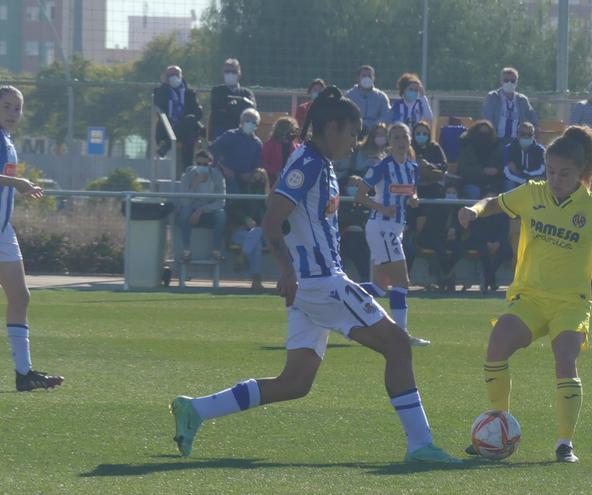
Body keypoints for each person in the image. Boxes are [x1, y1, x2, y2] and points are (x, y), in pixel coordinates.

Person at [170, 86, 459, 464]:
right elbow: (273, 217)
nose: (355, 142)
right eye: (352, 133)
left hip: (313, 286)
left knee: (295, 383)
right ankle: (421, 446)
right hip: (321, 283)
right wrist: (287, 269)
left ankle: (196, 409)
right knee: (398, 345)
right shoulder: (306, 163)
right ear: (333, 127)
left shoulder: (319, 164)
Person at [458, 125, 592, 463]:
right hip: (530, 298)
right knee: (497, 344)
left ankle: (565, 444)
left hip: (570, 304)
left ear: (582, 173)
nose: (555, 179)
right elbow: (494, 203)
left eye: (564, 173)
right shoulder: (532, 194)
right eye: (550, 171)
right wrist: (474, 209)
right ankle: (497, 425)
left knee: (565, 358)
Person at [0, 86, 63, 391]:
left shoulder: (8, 141)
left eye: (17, 108)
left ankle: (24, 375)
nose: (13, 113)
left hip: (3, 231)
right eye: (7, 106)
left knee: (21, 297)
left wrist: (18, 186)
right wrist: (19, 182)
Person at [355, 122, 431, 347]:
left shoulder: (412, 167)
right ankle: (402, 336)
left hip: (394, 230)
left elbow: (410, 190)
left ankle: (339, 295)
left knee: (379, 287)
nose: (400, 142)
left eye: (403, 138)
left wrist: (413, 198)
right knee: (402, 282)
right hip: (381, 228)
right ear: (389, 142)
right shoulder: (382, 166)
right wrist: (382, 208)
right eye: (396, 138)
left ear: (409, 141)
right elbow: (360, 195)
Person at [177, 150, 227, 263]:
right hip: (191, 213)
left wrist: (201, 210)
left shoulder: (217, 176)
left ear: (211, 163)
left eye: (205, 164)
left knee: (221, 214)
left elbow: (221, 202)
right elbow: (184, 201)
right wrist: (195, 184)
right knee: (184, 212)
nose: (202, 166)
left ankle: (216, 251)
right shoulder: (188, 175)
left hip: (209, 213)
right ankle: (186, 250)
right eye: (199, 164)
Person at [153, 65, 203, 173]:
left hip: (186, 128)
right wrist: (165, 85)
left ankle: (167, 146)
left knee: (189, 122)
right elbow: (157, 103)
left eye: (176, 74)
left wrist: (190, 118)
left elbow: (198, 113)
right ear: (166, 77)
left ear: (182, 76)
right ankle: (188, 169)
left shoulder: (189, 93)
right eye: (170, 75)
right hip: (167, 129)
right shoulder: (161, 91)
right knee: (189, 128)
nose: (173, 77)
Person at [228, 168, 269, 290]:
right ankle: (256, 279)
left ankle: (243, 257)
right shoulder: (243, 193)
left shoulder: (269, 199)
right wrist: (245, 219)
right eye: (255, 178)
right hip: (240, 232)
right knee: (255, 244)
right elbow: (231, 209)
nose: (257, 181)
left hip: (261, 235)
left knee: (257, 232)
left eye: (261, 179)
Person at [208, 108, 263, 194]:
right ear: (241, 122)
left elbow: (257, 165)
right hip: (227, 177)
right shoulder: (230, 135)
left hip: (246, 180)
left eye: (254, 122)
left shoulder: (257, 143)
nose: (250, 124)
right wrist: (223, 168)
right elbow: (212, 149)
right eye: (247, 121)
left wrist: (251, 175)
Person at [481, 67, 539, 144]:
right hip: (496, 140)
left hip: (517, 142)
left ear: (516, 82)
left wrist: (527, 136)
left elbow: (533, 120)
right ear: (501, 81)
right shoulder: (492, 97)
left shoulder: (522, 100)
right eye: (506, 80)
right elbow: (486, 119)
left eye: (512, 81)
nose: (509, 83)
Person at [209, 58, 257, 140]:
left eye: (234, 72)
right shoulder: (217, 91)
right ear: (223, 74)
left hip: (241, 131)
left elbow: (251, 109)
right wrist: (240, 104)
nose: (230, 74)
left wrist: (229, 106)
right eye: (227, 72)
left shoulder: (247, 93)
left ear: (239, 74)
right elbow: (217, 107)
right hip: (221, 132)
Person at [468, 213, 513, 294]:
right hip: (481, 241)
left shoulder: (502, 213)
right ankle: (490, 280)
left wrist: (498, 243)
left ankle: (487, 277)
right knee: (484, 252)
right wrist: (487, 242)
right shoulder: (480, 211)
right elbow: (475, 230)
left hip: (499, 242)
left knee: (507, 252)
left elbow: (505, 231)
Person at [458, 120, 504, 199]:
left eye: (487, 134)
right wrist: (482, 170)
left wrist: (497, 170)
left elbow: (502, 167)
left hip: (492, 183)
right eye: (481, 133)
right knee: (474, 191)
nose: (484, 136)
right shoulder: (466, 147)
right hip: (471, 182)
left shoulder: (496, 147)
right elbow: (463, 169)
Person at [345, 65, 391, 137]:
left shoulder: (381, 97)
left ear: (373, 78)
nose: (367, 78)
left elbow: (386, 116)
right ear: (358, 78)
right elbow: (345, 115)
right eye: (364, 75)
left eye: (369, 76)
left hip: (375, 133)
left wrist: (372, 126)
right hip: (354, 132)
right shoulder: (349, 96)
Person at [502, 122, 546, 192]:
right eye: (522, 134)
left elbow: (542, 169)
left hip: (534, 182)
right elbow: (507, 172)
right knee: (509, 183)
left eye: (529, 134)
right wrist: (525, 181)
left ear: (533, 136)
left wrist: (520, 173)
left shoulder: (541, 150)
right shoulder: (508, 149)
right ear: (517, 134)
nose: (526, 137)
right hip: (515, 181)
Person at [411, 120, 447, 200]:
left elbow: (444, 165)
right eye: (418, 133)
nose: (421, 135)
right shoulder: (409, 148)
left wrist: (429, 165)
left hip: (432, 183)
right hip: (413, 183)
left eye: (424, 134)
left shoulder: (435, 147)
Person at [261, 116, 299, 187]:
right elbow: (262, 163)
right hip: (272, 183)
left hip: (292, 184)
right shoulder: (269, 145)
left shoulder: (298, 148)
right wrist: (275, 172)